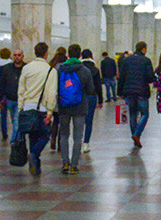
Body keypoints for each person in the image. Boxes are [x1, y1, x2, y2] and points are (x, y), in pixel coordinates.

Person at [16, 41, 58, 176]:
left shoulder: (27, 68)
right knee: (45, 134)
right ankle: (34, 155)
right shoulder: (51, 71)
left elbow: (21, 89)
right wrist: (50, 112)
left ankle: (36, 168)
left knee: (32, 136)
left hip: (28, 107)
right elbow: (51, 93)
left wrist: (20, 107)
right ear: (46, 54)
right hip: (42, 108)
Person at [55, 44, 94, 174]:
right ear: (80, 55)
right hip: (80, 107)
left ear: (68, 54)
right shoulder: (85, 70)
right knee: (78, 137)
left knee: (64, 135)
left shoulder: (60, 69)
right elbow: (90, 90)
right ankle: (74, 165)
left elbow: (56, 88)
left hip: (64, 107)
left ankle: (65, 162)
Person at [117, 40, 156, 147]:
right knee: (145, 114)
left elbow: (121, 77)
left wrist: (119, 91)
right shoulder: (146, 61)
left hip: (129, 91)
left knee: (133, 114)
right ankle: (137, 134)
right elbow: (150, 77)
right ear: (143, 49)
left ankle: (135, 137)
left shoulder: (126, 60)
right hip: (142, 91)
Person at [0, 48, 24, 141]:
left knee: (16, 123)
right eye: (15, 55)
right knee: (14, 122)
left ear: (22, 56)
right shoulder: (7, 69)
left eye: (19, 55)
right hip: (10, 100)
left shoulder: (26, 68)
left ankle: (14, 143)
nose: (17, 57)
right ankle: (19, 141)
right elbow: (1, 85)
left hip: (21, 100)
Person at [80, 49, 103, 154]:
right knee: (89, 122)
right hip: (91, 97)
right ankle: (86, 143)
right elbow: (98, 86)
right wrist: (101, 100)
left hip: (79, 97)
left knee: (78, 121)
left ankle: (78, 142)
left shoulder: (78, 69)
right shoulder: (95, 70)